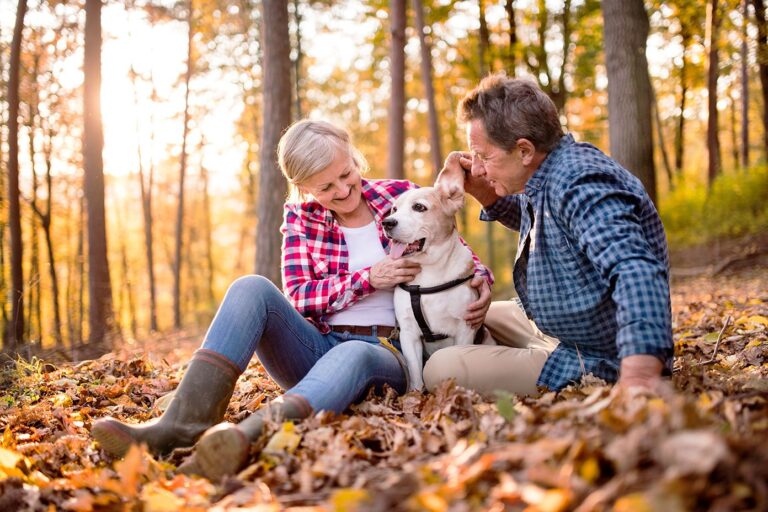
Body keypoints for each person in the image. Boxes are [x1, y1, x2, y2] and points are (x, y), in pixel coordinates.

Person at [91, 120, 493, 480]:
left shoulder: (400, 196)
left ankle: (245, 438)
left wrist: (484, 280)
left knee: (354, 352)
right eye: (325, 187)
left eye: (346, 174)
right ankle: (180, 425)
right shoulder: (301, 218)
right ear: (303, 189)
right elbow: (300, 297)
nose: (342, 190)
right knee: (250, 287)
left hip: (387, 351)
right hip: (316, 346)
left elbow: (453, 250)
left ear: (355, 159)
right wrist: (367, 279)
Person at [426, 74, 673, 395]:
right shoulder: (545, 172)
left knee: (441, 369)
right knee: (467, 311)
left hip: (597, 354)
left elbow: (635, 271)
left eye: (484, 157)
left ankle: (562, 368)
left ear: (524, 150)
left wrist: (639, 375)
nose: (478, 168)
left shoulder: (581, 183)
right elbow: (538, 222)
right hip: (556, 326)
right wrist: (485, 192)